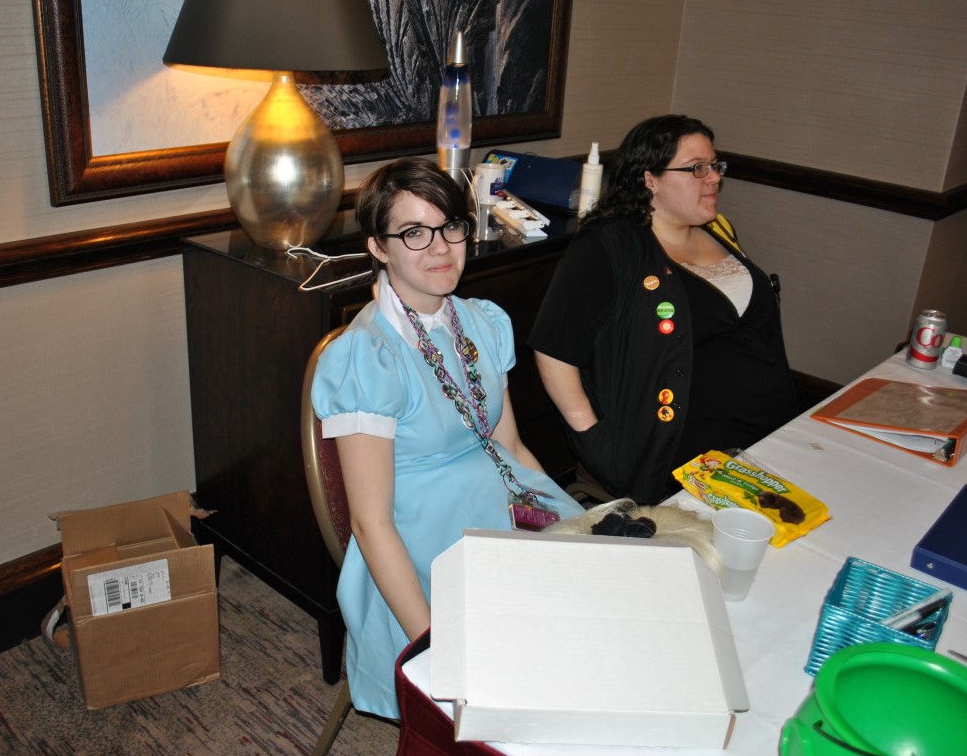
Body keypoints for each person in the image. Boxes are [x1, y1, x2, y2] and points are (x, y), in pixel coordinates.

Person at [311, 157, 583, 719]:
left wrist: (560, 519)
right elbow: (371, 523)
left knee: (594, 603)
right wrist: (435, 645)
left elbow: (509, 447)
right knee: (531, 666)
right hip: (417, 538)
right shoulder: (368, 356)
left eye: (450, 226)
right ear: (378, 247)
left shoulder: (481, 321)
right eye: (414, 232)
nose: (440, 248)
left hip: (494, 502)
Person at [529, 115, 798, 505]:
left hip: (765, 443)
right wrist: (596, 440)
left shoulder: (719, 229)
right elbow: (554, 350)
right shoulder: (609, 245)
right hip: (681, 463)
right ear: (650, 178)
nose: (714, 178)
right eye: (696, 168)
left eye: (715, 165)